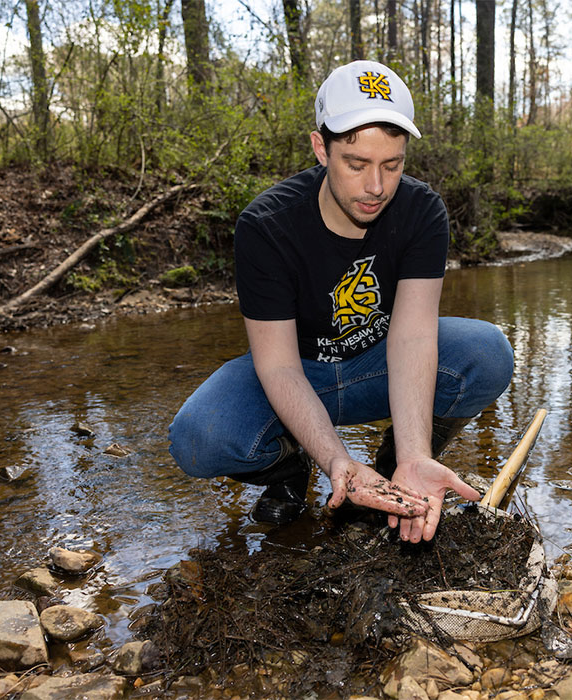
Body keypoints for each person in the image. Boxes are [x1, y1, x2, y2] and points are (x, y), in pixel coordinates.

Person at [169, 60, 514, 542]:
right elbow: (278, 367)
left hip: (376, 364)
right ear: (320, 150)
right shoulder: (266, 226)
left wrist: (416, 452)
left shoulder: (422, 211)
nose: (377, 186)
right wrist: (335, 458)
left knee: (487, 352)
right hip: (297, 369)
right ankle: (288, 467)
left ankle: (400, 461)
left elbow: (414, 335)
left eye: (392, 165)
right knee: (198, 437)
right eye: (356, 165)